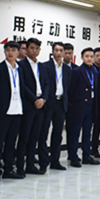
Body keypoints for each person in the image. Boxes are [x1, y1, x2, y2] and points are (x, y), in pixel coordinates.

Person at [0, 41, 28, 183]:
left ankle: (8, 170)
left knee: (11, 143)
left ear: (18, 52)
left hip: (17, 110)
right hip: (3, 112)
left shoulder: (20, 69)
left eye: (13, 50)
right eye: (8, 50)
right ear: (4, 52)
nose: (10, 53)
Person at [16, 38, 50, 175]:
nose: (34, 51)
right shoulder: (20, 65)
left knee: (34, 137)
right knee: (24, 138)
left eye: (37, 48)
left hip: (41, 106)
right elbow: (22, 85)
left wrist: (43, 99)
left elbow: (47, 84)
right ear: (26, 49)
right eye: (31, 48)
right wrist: (35, 99)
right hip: (28, 105)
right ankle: (20, 167)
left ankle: (30, 165)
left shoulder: (42, 66)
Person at [39, 42, 72, 172]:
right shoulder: (44, 66)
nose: (58, 53)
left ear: (64, 52)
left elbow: (68, 86)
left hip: (61, 103)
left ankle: (55, 161)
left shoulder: (67, 69)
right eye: (56, 50)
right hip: (48, 102)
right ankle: (43, 162)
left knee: (58, 133)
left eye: (61, 50)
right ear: (52, 52)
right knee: (43, 133)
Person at [66, 47, 100, 167]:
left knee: (87, 132)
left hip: (91, 105)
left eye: (91, 56)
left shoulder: (94, 71)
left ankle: (86, 156)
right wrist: (73, 104)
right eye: (87, 56)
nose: (89, 59)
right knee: (75, 132)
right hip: (78, 106)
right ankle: (73, 157)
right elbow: (70, 90)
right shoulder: (77, 71)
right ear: (82, 57)